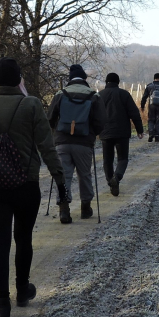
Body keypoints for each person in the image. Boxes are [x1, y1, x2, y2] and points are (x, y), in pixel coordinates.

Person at [0, 57, 66, 317]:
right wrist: (59, 178)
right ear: (19, 79)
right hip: (26, 185)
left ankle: (2, 307)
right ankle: (22, 290)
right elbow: (47, 145)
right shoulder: (31, 104)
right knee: (23, 239)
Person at [47, 64, 107, 221]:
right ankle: (85, 207)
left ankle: (64, 208)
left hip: (62, 142)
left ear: (70, 79)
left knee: (63, 176)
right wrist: (92, 134)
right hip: (84, 143)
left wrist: (56, 133)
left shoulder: (61, 94)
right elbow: (100, 121)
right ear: (84, 79)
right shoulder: (93, 95)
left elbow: (50, 118)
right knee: (84, 174)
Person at [98, 72, 144, 196]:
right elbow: (134, 113)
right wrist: (140, 129)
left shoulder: (99, 95)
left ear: (106, 82)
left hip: (105, 132)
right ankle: (117, 178)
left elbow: (93, 114)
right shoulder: (124, 94)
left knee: (107, 159)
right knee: (122, 158)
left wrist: (92, 131)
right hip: (122, 132)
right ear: (118, 82)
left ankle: (110, 181)